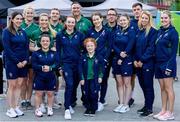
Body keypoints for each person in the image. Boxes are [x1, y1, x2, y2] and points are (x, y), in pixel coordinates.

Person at [56, 16, 84, 120]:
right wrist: (59, 66)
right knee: (69, 84)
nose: (71, 24)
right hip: (66, 64)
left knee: (75, 85)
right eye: (69, 22)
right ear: (66, 23)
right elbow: (58, 51)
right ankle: (67, 108)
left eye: (73, 22)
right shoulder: (60, 35)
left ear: (75, 23)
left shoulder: (80, 35)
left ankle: (71, 103)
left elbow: (83, 48)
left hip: (77, 63)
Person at [2, 12, 29, 118]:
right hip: (12, 62)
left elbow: (26, 48)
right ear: (12, 19)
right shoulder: (6, 31)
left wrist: (26, 60)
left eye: (21, 19)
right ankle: (10, 109)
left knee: (19, 85)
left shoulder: (23, 32)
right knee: (12, 86)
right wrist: (17, 61)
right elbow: (7, 49)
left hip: (23, 63)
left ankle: (16, 106)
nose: (19, 21)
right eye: (17, 19)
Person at [29, 12, 56, 113]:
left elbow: (55, 47)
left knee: (50, 83)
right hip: (39, 59)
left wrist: (51, 50)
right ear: (39, 21)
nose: (44, 22)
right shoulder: (34, 32)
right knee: (39, 84)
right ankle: (40, 105)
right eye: (42, 20)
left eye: (45, 20)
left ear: (48, 21)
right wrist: (36, 50)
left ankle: (48, 104)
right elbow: (30, 47)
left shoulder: (53, 32)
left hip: (50, 59)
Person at [153, 10, 178, 121]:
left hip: (168, 64)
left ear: (170, 19)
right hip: (158, 63)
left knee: (168, 88)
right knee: (162, 88)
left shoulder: (173, 32)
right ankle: (163, 110)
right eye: (162, 18)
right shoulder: (160, 31)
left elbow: (174, 53)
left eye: (165, 18)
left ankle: (170, 112)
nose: (163, 20)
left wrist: (169, 67)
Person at [134, 11, 157, 117]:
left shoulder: (153, 31)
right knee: (143, 86)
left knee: (148, 86)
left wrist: (141, 61)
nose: (143, 20)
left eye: (146, 18)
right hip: (138, 64)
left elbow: (151, 48)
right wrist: (135, 60)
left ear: (149, 20)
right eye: (142, 18)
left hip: (147, 64)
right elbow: (135, 47)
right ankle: (146, 105)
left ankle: (149, 109)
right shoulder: (139, 31)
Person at [86, 12, 110, 112]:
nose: (96, 21)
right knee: (92, 80)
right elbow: (87, 45)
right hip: (92, 60)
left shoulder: (107, 31)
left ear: (101, 19)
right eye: (94, 19)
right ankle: (92, 101)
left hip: (103, 60)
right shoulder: (89, 31)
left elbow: (110, 46)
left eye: (97, 19)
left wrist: (105, 58)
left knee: (103, 80)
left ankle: (101, 100)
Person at [32, 33, 59, 117]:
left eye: (47, 41)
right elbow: (34, 65)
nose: (45, 42)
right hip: (39, 76)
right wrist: (42, 67)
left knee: (50, 93)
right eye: (43, 41)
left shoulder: (54, 53)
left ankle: (50, 108)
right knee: (38, 93)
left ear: (50, 42)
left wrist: (50, 68)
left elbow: (57, 64)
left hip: (51, 76)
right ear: (40, 42)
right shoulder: (36, 53)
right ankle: (37, 109)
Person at [71, 1, 92, 107]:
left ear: (81, 9)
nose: (75, 10)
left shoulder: (87, 22)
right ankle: (73, 99)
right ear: (71, 9)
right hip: (72, 55)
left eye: (77, 8)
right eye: (74, 8)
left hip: (85, 54)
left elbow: (90, 38)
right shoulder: (68, 21)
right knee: (74, 80)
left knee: (85, 77)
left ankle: (85, 99)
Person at [112, 14, 135, 113]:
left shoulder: (131, 31)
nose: (122, 22)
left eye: (124, 20)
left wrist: (122, 56)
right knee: (119, 83)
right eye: (120, 20)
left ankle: (126, 104)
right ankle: (121, 103)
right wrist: (119, 53)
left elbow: (130, 45)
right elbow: (113, 44)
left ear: (128, 20)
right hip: (116, 59)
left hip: (127, 60)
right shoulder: (117, 31)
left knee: (127, 83)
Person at [20, 6, 39, 109]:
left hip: (32, 56)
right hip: (21, 56)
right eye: (27, 13)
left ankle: (28, 100)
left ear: (33, 14)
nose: (29, 14)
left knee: (31, 78)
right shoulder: (19, 25)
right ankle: (23, 100)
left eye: (31, 13)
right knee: (23, 79)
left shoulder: (37, 27)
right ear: (24, 14)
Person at [79, 38, 103, 117]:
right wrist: (81, 78)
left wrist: (100, 76)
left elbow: (101, 68)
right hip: (86, 79)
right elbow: (80, 68)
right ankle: (88, 107)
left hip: (94, 79)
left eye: (91, 46)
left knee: (94, 93)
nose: (90, 47)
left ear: (95, 46)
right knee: (86, 94)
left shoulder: (98, 57)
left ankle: (93, 108)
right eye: (88, 46)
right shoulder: (83, 57)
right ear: (86, 47)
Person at [103, 8, 119, 106]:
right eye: (109, 14)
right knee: (104, 78)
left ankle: (123, 100)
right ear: (106, 17)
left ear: (116, 17)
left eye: (113, 14)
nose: (111, 16)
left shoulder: (120, 27)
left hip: (117, 57)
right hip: (106, 56)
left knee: (119, 79)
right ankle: (102, 99)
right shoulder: (103, 28)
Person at [128, 2, 143, 107]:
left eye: (138, 9)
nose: (136, 11)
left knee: (144, 81)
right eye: (134, 10)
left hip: (144, 57)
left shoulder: (146, 21)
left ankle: (148, 103)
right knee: (131, 78)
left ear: (141, 10)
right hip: (132, 56)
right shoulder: (131, 23)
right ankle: (130, 97)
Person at [49, 8, 64, 109]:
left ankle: (55, 97)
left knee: (57, 77)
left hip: (58, 56)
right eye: (53, 13)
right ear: (50, 15)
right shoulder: (46, 25)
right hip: (46, 56)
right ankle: (46, 99)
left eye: (56, 14)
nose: (55, 15)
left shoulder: (62, 27)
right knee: (47, 76)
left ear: (59, 16)